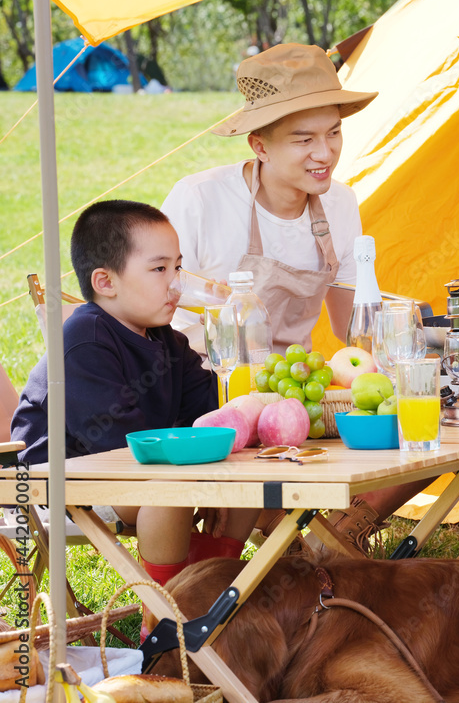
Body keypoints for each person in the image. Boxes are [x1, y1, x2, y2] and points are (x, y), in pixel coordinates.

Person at [162, 44, 402, 550]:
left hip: (297, 386)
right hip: (204, 387)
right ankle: (274, 551)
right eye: (304, 139)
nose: (325, 152)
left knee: (413, 413)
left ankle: (338, 532)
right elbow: (152, 302)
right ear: (260, 146)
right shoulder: (200, 200)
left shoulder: (339, 203)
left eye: (334, 133)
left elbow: (347, 328)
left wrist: (396, 342)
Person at [10, 200, 259, 586]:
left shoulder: (167, 340)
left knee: (247, 472)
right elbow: (119, 448)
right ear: (105, 282)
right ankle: (163, 618)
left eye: (177, 267)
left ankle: (206, 586)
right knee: (168, 492)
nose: (175, 282)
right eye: (159, 269)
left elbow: (214, 411)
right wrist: (204, 477)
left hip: (136, 471)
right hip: (62, 482)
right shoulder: (83, 340)